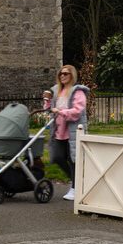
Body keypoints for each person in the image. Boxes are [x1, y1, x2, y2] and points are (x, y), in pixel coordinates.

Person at [42, 64, 89, 200]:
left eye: (66, 74)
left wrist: (61, 112)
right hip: (58, 131)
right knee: (57, 157)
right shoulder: (56, 90)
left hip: (72, 132)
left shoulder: (77, 92)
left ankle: (75, 188)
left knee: (73, 160)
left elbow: (77, 111)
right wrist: (47, 100)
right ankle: (78, 182)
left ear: (72, 75)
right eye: (61, 74)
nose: (62, 76)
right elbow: (49, 108)